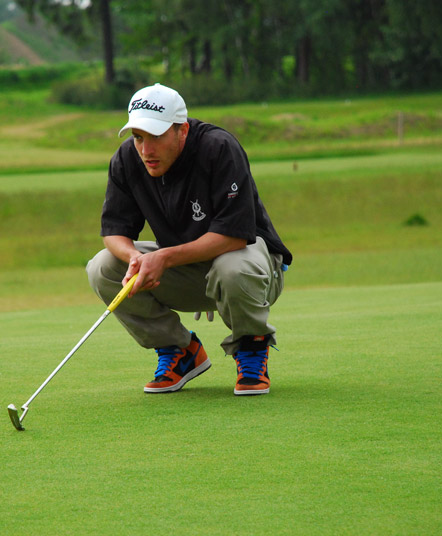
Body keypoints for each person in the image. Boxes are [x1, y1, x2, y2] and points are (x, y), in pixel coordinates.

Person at [86, 83, 292, 396]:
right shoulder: (127, 159)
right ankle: (180, 350)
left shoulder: (218, 147)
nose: (146, 150)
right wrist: (136, 259)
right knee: (103, 267)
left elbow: (234, 237)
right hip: (187, 271)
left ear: (181, 130)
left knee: (232, 267)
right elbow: (114, 232)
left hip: (254, 271)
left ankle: (251, 346)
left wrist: (163, 258)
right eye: (138, 137)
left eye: (156, 137)